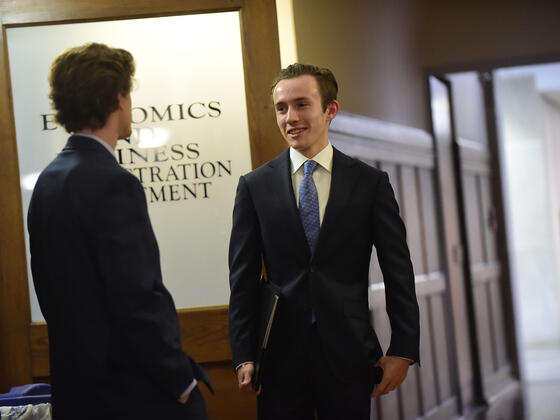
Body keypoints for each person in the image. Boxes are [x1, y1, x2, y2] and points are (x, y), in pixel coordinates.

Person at [28, 43, 211, 420]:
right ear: (118, 97)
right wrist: (180, 381)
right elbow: (137, 298)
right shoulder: (113, 182)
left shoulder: (47, 181)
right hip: (133, 395)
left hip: (78, 393)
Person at [228, 63, 420, 419]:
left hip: (350, 355)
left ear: (331, 109)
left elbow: (399, 272)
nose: (290, 118)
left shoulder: (369, 184)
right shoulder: (254, 186)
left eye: (302, 104)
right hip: (278, 359)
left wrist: (403, 349)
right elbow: (242, 279)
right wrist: (243, 353)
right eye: (282, 108)